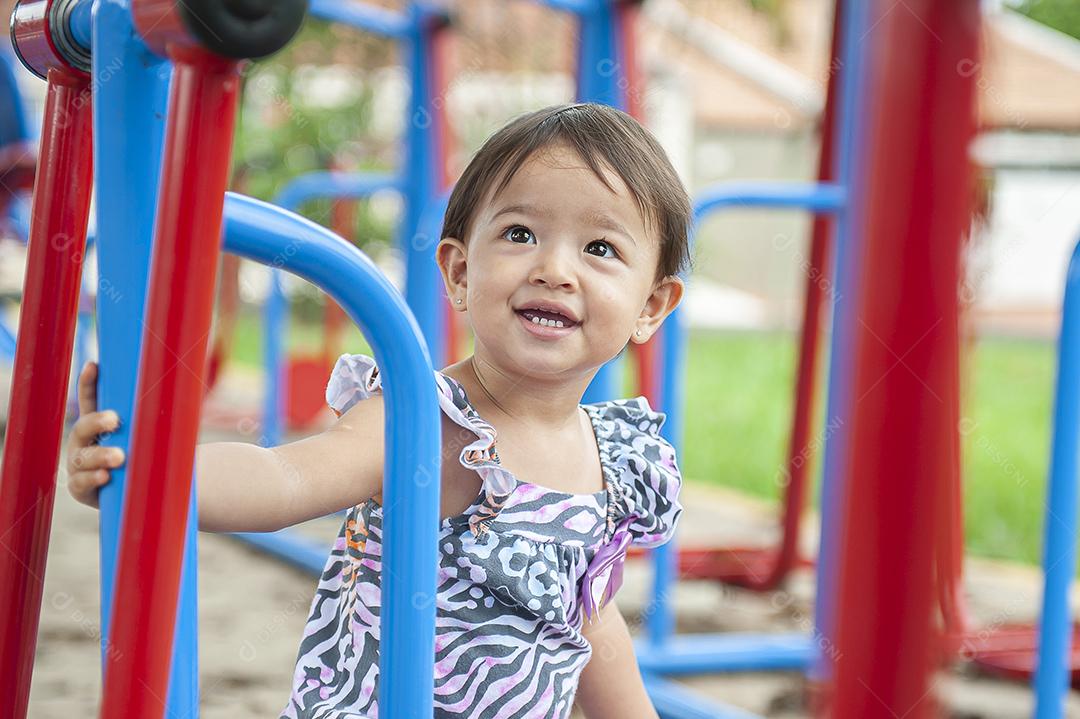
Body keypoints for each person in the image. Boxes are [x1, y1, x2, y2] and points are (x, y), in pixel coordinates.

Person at [66, 102, 690, 719]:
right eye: (520, 234)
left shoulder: (615, 458)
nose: (555, 270)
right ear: (461, 272)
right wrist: (147, 471)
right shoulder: (425, 417)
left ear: (652, 306)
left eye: (600, 248)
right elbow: (286, 479)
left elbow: (589, 618)